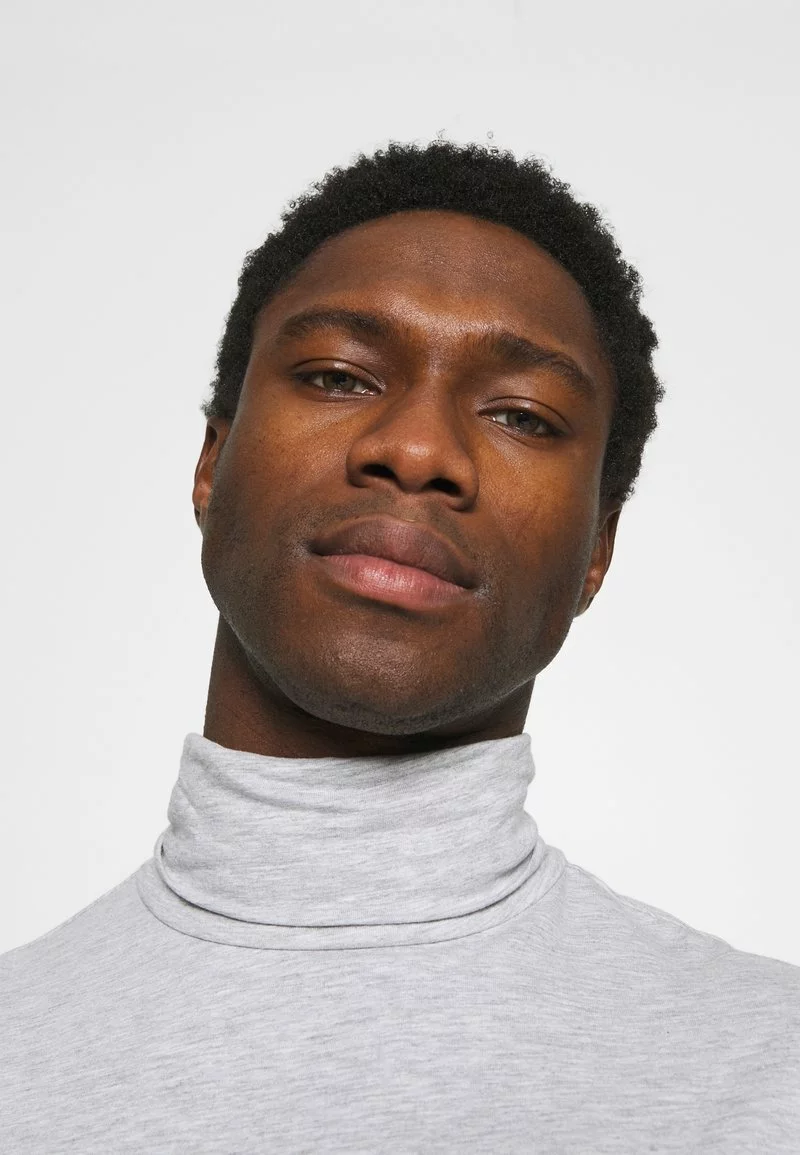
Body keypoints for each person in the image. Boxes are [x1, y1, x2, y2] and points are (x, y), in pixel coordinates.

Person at [2, 140, 797, 1153]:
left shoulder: (769, 1070)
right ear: (212, 464)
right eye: (338, 376)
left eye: (522, 415)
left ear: (597, 549)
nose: (417, 451)